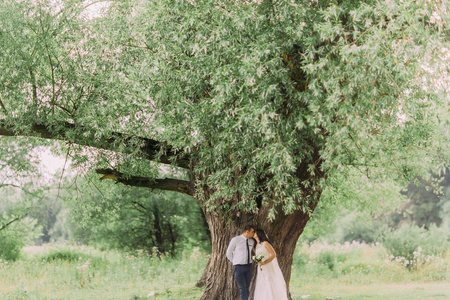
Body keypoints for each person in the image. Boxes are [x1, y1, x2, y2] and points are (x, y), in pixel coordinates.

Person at [253, 229, 288, 300]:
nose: (253, 233)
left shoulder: (265, 243)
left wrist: (265, 262)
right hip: (261, 268)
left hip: (268, 266)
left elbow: (273, 254)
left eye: (255, 232)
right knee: (262, 283)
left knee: (269, 282)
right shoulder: (256, 245)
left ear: (259, 234)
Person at [226, 225, 256, 300]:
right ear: (247, 232)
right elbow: (228, 253)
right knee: (242, 288)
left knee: (247, 288)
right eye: (252, 232)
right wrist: (235, 261)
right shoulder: (236, 240)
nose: (253, 233)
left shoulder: (252, 241)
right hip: (239, 267)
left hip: (249, 267)